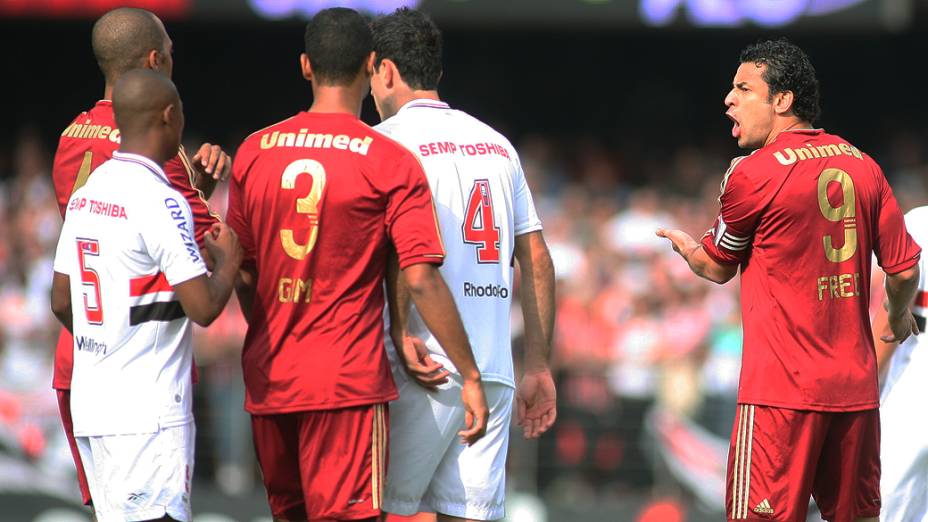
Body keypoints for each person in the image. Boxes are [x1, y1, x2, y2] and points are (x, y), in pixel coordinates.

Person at [225, 8, 488, 522]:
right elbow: (419, 275)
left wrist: (273, 329)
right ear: (372, 64)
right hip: (345, 382)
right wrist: (471, 373)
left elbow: (242, 269)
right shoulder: (387, 159)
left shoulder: (255, 151)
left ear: (305, 66)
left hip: (270, 375)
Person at [656, 38, 921, 522]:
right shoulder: (864, 165)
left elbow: (717, 267)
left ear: (782, 100)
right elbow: (904, 269)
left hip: (780, 395)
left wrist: (690, 252)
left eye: (743, 88)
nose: (728, 99)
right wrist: (898, 314)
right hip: (855, 393)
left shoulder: (753, 174)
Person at [368, 8, 556, 522]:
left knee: (378, 510)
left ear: (384, 70)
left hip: (416, 363)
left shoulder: (382, 143)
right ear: (437, 73)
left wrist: (402, 327)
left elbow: (402, 252)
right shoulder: (498, 146)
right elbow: (536, 257)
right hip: (493, 367)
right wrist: (538, 363)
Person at [50, 7, 231, 506]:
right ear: (155, 60)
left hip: (80, 361)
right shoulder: (156, 157)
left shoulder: (72, 135)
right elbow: (202, 253)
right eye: (171, 52)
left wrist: (196, 188)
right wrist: (202, 196)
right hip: (139, 373)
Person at [871, 204, 928, 522]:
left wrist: (858, 392)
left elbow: (889, 323)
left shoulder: (920, 223)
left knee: (886, 511)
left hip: (913, 396)